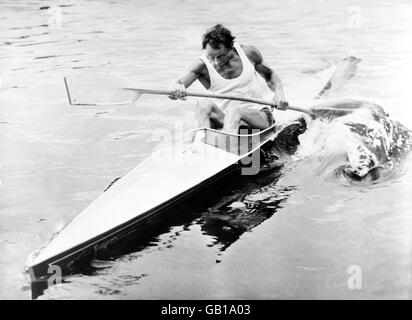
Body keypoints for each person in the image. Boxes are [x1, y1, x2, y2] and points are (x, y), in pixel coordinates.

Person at [169, 24, 289, 134]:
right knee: (203, 104)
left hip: (259, 116)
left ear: (231, 47)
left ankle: (227, 145)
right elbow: (176, 87)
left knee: (235, 111)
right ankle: (200, 145)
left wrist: (280, 94)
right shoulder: (201, 65)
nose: (216, 61)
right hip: (226, 120)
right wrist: (176, 91)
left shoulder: (248, 53)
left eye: (220, 56)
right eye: (211, 56)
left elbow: (270, 76)